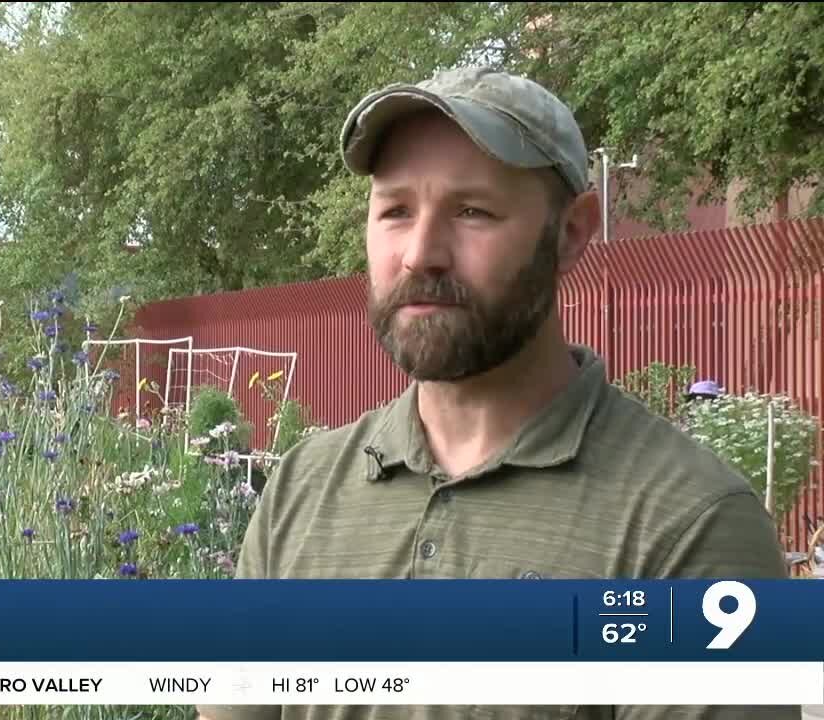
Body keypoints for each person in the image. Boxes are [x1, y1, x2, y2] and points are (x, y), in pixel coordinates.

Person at [196, 67, 793, 720]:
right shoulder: (301, 491)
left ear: (570, 232)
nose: (421, 254)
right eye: (395, 211)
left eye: (472, 211)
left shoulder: (690, 526)